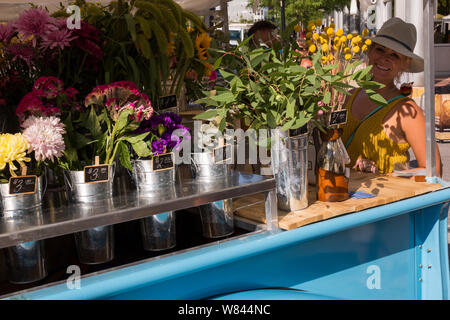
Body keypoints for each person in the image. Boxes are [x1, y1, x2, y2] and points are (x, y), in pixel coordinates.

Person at [341, 17, 442, 176]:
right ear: (369, 51)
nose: (385, 58)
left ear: (405, 64)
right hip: (338, 196)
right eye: (380, 49)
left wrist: (383, 173)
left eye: (394, 55)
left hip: (385, 200)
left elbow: (433, 171)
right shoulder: (348, 97)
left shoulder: (408, 112)